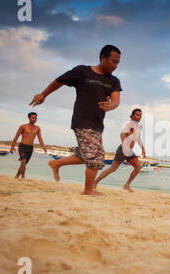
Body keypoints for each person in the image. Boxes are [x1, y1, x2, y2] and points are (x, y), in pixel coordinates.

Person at [29, 45, 122, 195]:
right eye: (113, 61)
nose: (115, 65)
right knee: (95, 159)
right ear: (103, 58)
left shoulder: (114, 81)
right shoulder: (82, 71)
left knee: (86, 155)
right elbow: (60, 80)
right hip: (82, 121)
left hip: (98, 124)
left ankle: (56, 163)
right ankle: (88, 191)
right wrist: (43, 94)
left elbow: (116, 100)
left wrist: (111, 105)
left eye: (118, 62)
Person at [94, 108, 146, 192]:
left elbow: (138, 138)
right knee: (113, 168)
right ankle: (95, 182)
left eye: (140, 115)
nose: (139, 117)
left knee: (138, 167)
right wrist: (125, 146)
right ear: (132, 116)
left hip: (129, 151)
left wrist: (143, 149)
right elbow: (122, 135)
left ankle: (126, 185)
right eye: (137, 115)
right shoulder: (129, 125)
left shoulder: (139, 127)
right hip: (123, 149)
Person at [10, 112, 47, 179]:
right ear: (29, 118)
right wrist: (12, 147)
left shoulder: (37, 128)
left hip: (30, 148)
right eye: (32, 118)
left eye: (35, 118)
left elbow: (40, 138)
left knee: (24, 164)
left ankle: (23, 177)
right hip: (22, 146)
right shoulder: (23, 126)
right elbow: (16, 137)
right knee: (23, 161)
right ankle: (17, 177)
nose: (34, 119)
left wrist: (43, 147)